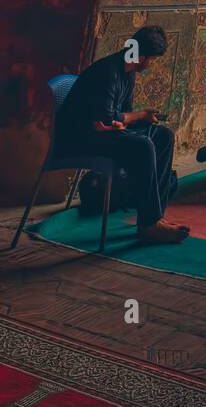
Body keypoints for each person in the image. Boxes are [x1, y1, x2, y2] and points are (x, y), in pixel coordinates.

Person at [55, 26, 190, 245]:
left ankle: (155, 217)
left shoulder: (128, 74)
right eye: (152, 60)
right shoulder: (107, 71)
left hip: (104, 134)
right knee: (144, 145)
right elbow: (106, 119)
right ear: (142, 57)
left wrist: (134, 119)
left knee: (163, 137)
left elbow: (121, 116)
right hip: (80, 140)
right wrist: (136, 116)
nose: (151, 65)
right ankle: (149, 225)